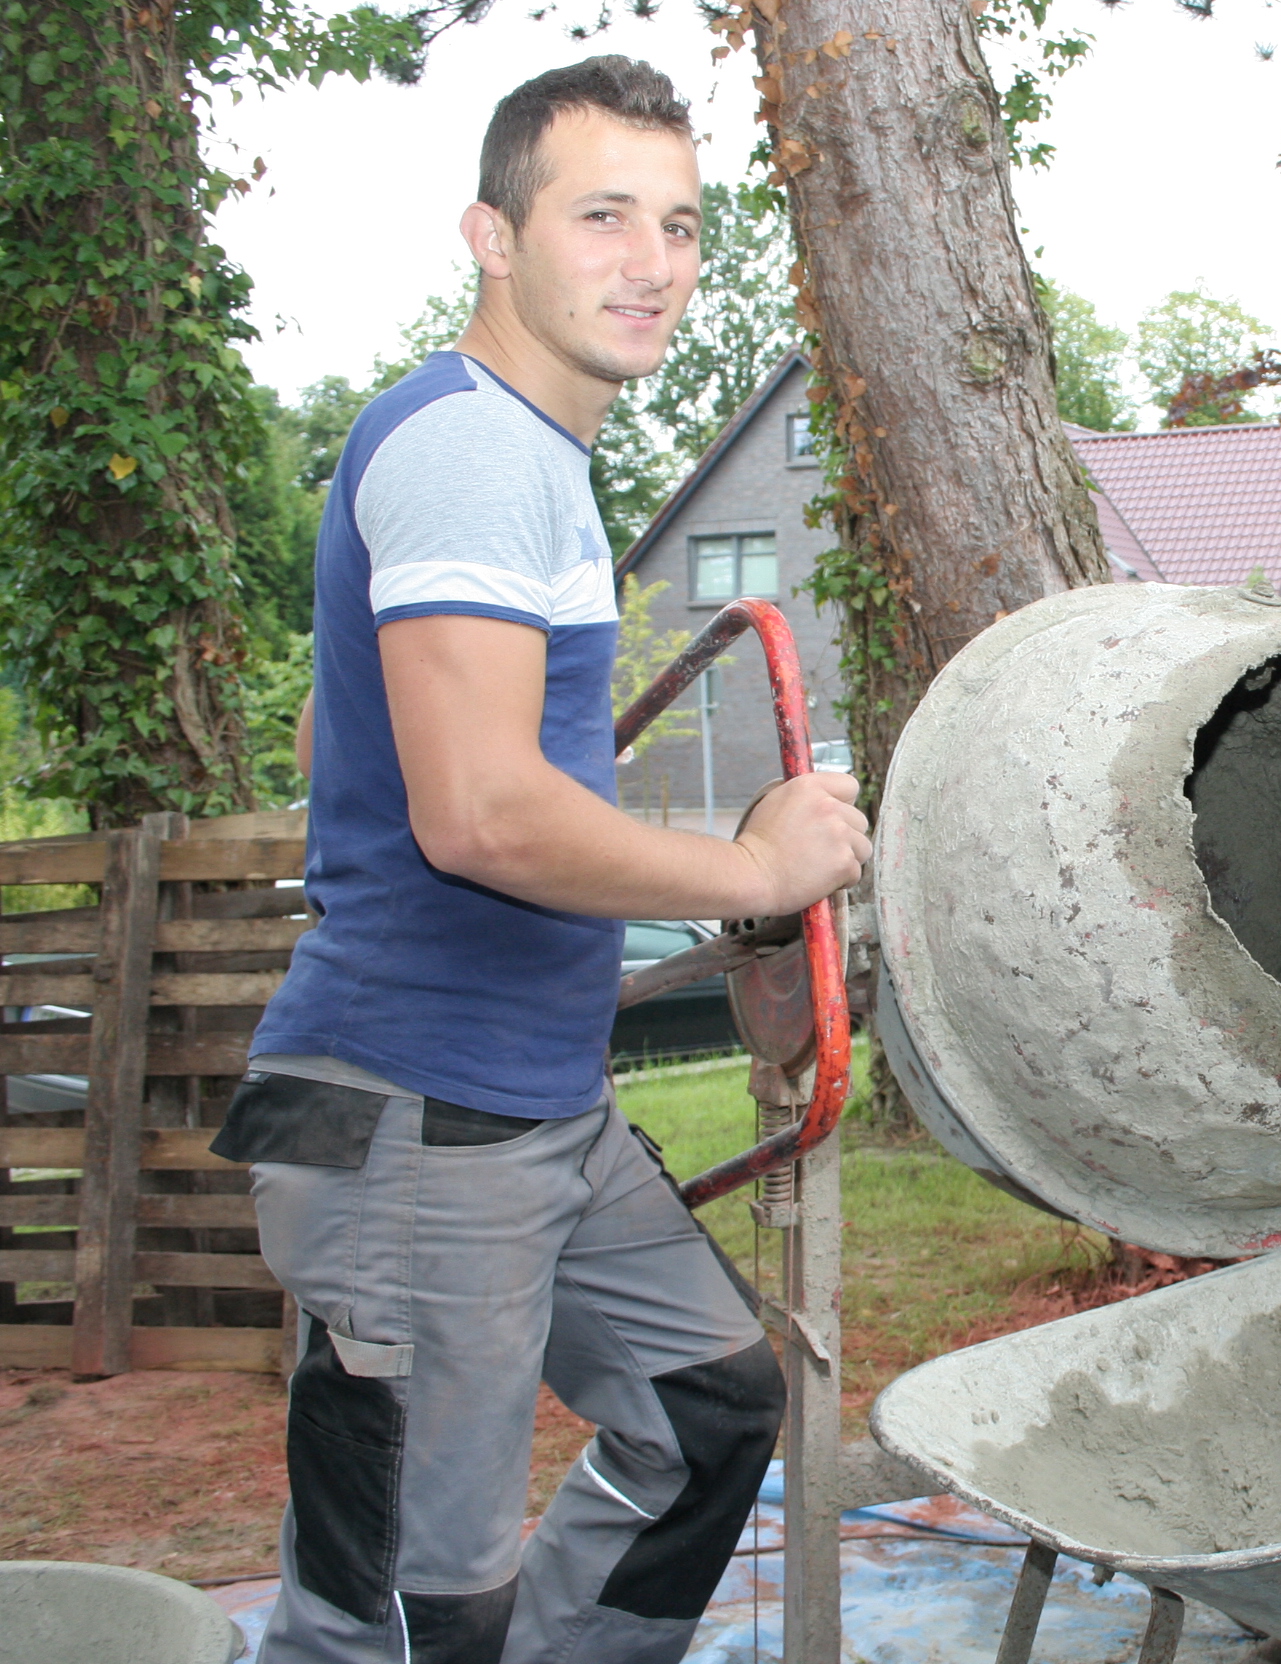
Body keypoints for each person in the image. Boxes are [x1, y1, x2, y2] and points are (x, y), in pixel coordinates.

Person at [212, 58, 872, 1664]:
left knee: (715, 1412)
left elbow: (329, 740)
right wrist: (752, 868)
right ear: (491, 236)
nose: (653, 261)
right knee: (395, 1615)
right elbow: (483, 818)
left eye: (682, 224)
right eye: (602, 216)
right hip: (415, 1123)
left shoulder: (529, 462)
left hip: (539, 1111)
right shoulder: (475, 450)